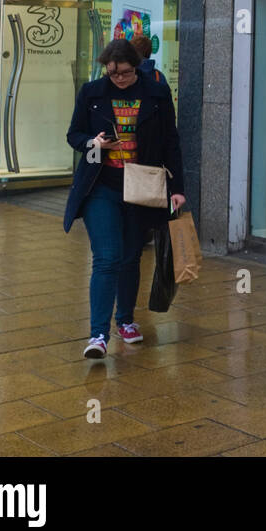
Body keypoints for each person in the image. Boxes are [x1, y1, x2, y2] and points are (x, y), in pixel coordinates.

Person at [63, 38, 185, 359]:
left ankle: (126, 320)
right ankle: (98, 335)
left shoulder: (157, 94)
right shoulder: (92, 93)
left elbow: (171, 142)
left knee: (131, 257)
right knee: (107, 257)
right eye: (113, 73)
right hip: (100, 186)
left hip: (142, 186)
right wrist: (93, 142)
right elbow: (74, 134)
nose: (119, 79)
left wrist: (178, 188)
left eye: (126, 73)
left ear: (138, 66)